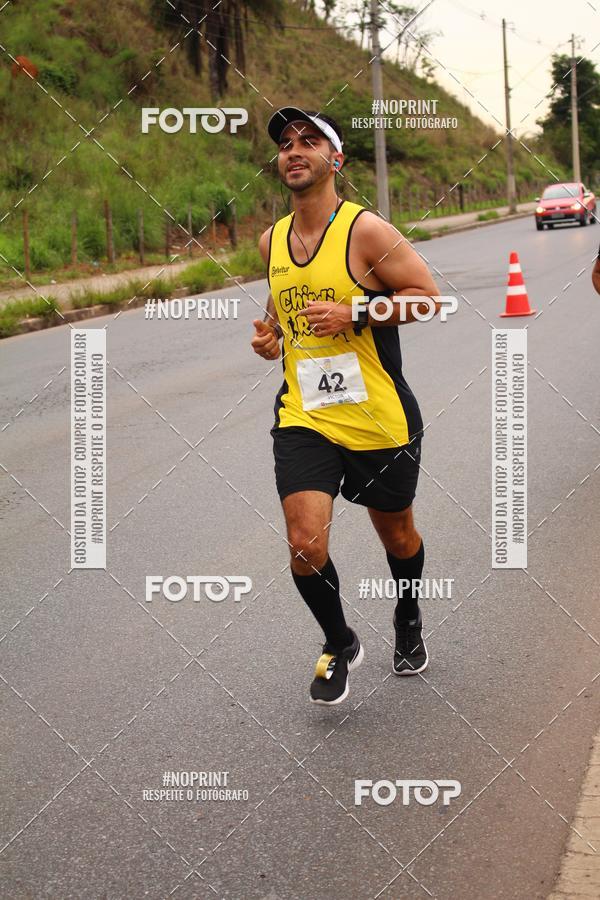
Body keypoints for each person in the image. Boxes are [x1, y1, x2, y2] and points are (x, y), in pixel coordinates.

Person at [251, 106, 440, 705]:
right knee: (304, 543)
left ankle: (407, 616)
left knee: (398, 535)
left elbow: (427, 298)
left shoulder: (367, 231)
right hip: (304, 415)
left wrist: (356, 310)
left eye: (309, 141)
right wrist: (271, 338)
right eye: (286, 143)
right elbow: (282, 310)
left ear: (335, 159)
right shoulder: (271, 240)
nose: (293, 151)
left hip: (377, 416)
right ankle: (339, 641)